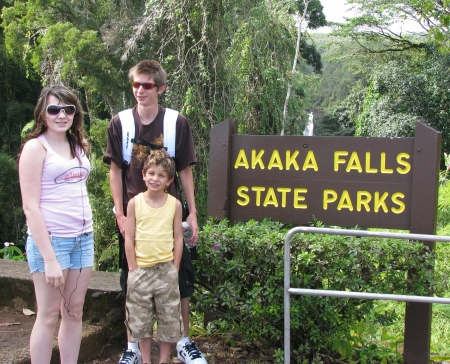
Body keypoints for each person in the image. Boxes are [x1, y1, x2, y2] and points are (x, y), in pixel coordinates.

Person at [104, 59, 207, 364]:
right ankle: (133, 348)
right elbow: (114, 170)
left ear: (160, 88)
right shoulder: (120, 123)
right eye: (136, 84)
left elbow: (185, 170)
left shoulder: (176, 123)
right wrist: (120, 215)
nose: (140, 90)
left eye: (147, 85)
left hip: (169, 214)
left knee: (179, 284)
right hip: (135, 216)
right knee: (132, 282)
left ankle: (183, 342)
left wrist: (192, 213)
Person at [18, 85, 94, 364]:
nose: (62, 115)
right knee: (48, 315)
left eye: (68, 109)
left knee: (74, 311)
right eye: (54, 109)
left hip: (83, 238)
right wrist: (49, 258)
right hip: (51, 241)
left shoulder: (78, 146)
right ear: (43, 113)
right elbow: (30, 206)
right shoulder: (35, 148)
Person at [125, 149, 184, 364]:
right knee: (141, 322)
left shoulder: (174, 205)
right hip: (140, 271)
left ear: (169, 181)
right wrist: (133, 268)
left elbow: (178, 238)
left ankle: (164, 360)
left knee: (169, 318)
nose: (155, 179)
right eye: (151, 173)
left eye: (161, 175)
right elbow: (129, 238)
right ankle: (146, 360)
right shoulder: (134, 203)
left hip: (165, 270)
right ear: (143, 175)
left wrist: (174, 268)